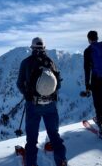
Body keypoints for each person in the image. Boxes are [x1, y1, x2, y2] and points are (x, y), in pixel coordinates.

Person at [17, 37, 67, 166]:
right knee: (54, 136)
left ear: (32, 48)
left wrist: (27, 94)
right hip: (50, 105)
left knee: (32, 139)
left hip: (33, 105)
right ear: (44, 48)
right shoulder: (51, 62)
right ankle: (61, 162)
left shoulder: (26, 62)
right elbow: (58, 85)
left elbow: (19, 84)